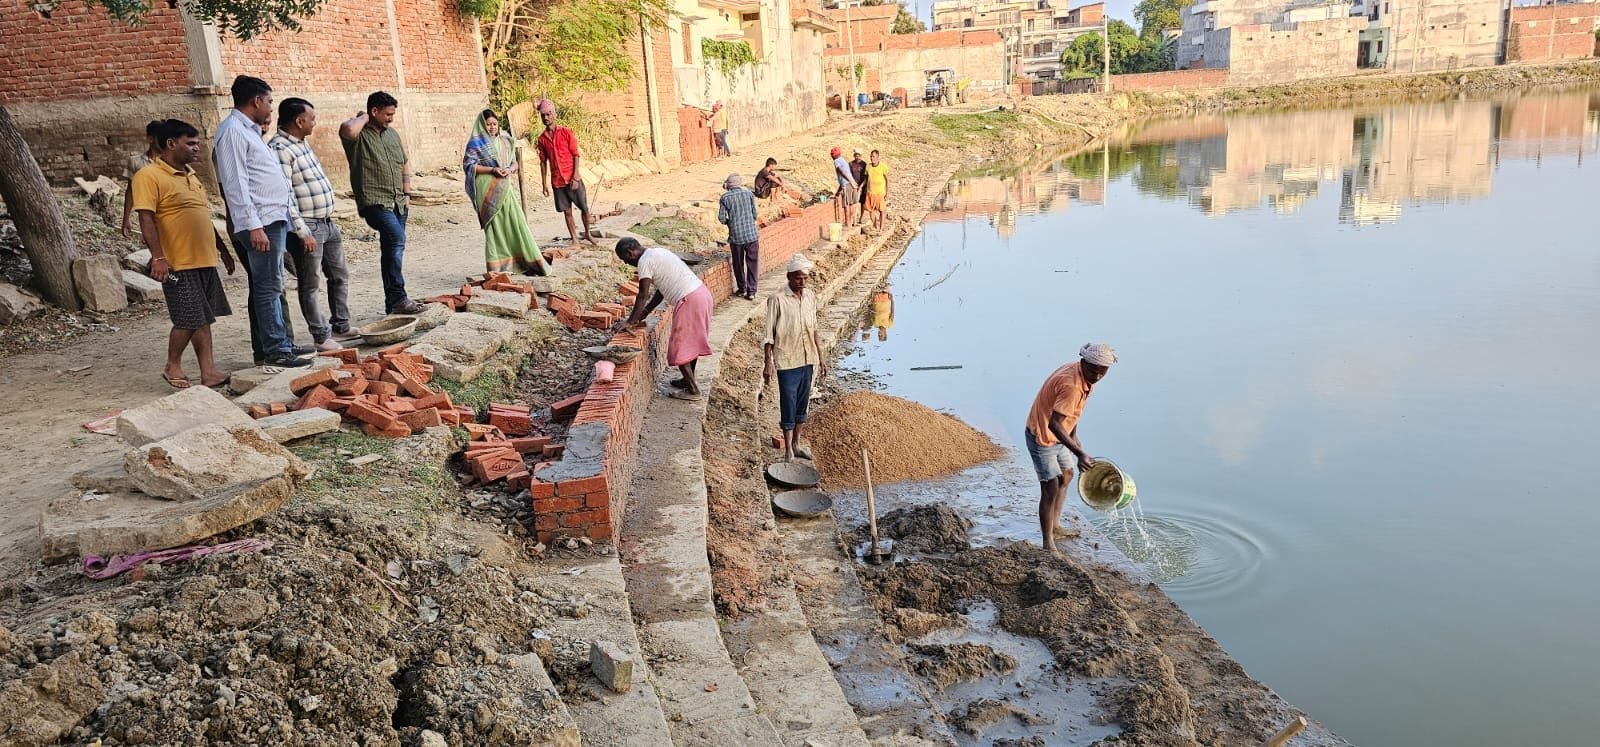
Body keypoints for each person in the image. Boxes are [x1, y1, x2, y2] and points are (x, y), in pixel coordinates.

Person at [214, 75, 314, 368]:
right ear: (256, 101)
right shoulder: (232, 131)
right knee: (268, 287)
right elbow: (235, 183)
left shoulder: (249, 131)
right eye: (269, 102)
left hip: (272, 219)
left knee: (271, 285)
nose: (271, 108)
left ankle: (277, 343)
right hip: (260, 222)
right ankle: (276, 348)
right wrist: (253, 225)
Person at [132, 119, 238, 389]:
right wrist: (158, 258)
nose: (196, 149)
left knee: (203, 317)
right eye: (190, 143)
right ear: (170, 144)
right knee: (188, 316)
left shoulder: (191, 175)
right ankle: (173, 364)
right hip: (177, 262)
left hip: (204, 258)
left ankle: (208, 372)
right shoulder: (148, 176)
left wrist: (223, 251)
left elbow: (201, 216)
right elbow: (146, 218)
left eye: (197, 143)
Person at [270, 96, 355, 352]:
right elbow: (284, 194)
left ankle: (342, 324)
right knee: (310, 284)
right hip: (308, 226)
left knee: (339, 275)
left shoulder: (301, 144)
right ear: (299, 120)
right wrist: (302, 230)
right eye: (312, 119)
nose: (314, 123)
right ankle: (320, 336)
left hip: (327, 223)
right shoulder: (279, 148)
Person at [341, 91, 426, 315]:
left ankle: (393, 303)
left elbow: (404, 163)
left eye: (393, 114)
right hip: (375, 202)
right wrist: (364, 117)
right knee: (397, 240)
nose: (391, 118)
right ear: (374, 111)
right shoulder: (358, 136)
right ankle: (399, 296)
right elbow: (348, 129)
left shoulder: (392, 135)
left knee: (391, 249)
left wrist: (407, 194)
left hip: (399, 201)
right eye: (387, 114)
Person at [1025, 343, 1116, 553]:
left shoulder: (1084, 377)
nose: (1098, 376)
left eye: (1103, 372)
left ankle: (1056, 526)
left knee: (1066, 475)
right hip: (1043, 437)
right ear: (1084, 362)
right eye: (1094, 370)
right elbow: (1054, 424)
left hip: (1059, 436)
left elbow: (1073, 412)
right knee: (1050, 488)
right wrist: (1079, 452)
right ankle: (1048, 543)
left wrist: (1074, 437)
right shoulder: (1072, 385)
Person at [612, 237, 713, 400]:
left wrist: (630, 321)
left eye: (624, 260)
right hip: (701, 295)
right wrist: (644, 314)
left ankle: (693, 391)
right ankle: (688, 381)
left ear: (630, 253)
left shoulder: (644, 261)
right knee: (691, 343)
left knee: (680, 345)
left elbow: (642, 295)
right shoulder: (658, 252)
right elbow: (660, 292)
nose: (626, 264)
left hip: (689, 300)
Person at [463, 108, 548, 276]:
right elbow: (469, 166)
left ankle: (523, 261)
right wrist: (492, 170)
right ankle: (496, 267)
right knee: (494, 227)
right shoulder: (476, 143)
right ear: (482, 125)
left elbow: (515, 163)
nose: (492, 127)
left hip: (505, 188)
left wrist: (509, 169)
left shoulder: (506, 141)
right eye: (488, 124)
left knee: (515, 222)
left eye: (494, 124)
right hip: (486, 189)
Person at [763, 254, 825, 462]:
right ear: (789, 276)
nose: (803, 282)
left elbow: (814, 329)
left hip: (808, 358)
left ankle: (797, 443)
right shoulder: (778, 299)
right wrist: (768, 363)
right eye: (799, 278)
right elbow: (769, 335)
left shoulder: (810, 297)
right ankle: (788, 448)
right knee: (788, 402)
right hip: (787, 360)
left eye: (805, 278)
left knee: (802, 402)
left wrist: (821, 357)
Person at [534, 98, 597, 247]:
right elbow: (543, 162)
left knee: (584, 208)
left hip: (572, 178)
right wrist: (544, 184)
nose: (546, 118)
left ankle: (587, 233)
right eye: (543, 115)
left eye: (548, 114)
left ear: (554, 114)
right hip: (557, 181)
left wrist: (575, 176)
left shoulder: (566, 133)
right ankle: (574, 238)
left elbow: (575, 155)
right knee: (567, 211)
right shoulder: (542, 140)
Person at [718, 173, 759, 300]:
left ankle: (742, 289)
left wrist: (730, 223)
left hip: (736, 237)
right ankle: (751, 292)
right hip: (752, 235)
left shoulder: (725, 198)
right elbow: (754, 215)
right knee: (752, 263)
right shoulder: (748, 194)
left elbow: (721, 218)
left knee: (738, 263)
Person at [121, 119, 164, 238]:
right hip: (148, 216)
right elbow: (130, 190)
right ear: (151, 139)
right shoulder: (136, 162)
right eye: (161, 137)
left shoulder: (171, 162)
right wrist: (126, 219)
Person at [832, 147, 858, 227]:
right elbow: (842, 179)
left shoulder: (836, 161)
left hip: (848, 184)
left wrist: (850, 181)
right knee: (851, 204)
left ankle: (848, 224)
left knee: (846, 205)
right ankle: (851, 222)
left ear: (834, 155)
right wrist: (837, 193)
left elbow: (842, 172)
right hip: (851, 184)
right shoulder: (843, 160)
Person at [864, 149, 889, 232]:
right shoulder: (868, 167)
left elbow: (887, 180)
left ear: (878, 157)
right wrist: (861, 187)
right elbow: (866, 179)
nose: (872, 158)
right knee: (870, 211)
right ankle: (875, 225)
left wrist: (887, 192)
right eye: (871, 156)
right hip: (870, 192)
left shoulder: (883, 166)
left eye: (873, 156)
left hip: (880, 193)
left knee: (882, 210)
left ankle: (881, 228)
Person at [849, 150, 868, 225]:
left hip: (863, 185)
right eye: (856, 155)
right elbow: (849, 175)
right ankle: (854, 219)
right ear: (854, 156)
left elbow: (866, 176)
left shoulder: (864, 164)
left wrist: (861, 186)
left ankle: (861, 217)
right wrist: (853, 184)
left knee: (862, 203)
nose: (858, 157)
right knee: (854, 202)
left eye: (859, 155)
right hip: (854, 185)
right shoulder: (851, 164)